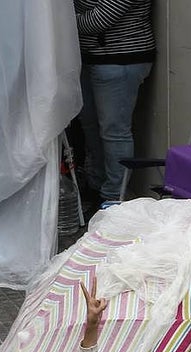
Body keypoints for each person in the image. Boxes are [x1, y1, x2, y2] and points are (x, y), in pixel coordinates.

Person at [74, 0, 156, 205]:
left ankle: (113, 197)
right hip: (89, 57)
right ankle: (97, 184)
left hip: (121, 59)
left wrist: (62, 23)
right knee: (91, 126)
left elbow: (100, 18)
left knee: (114, 131)